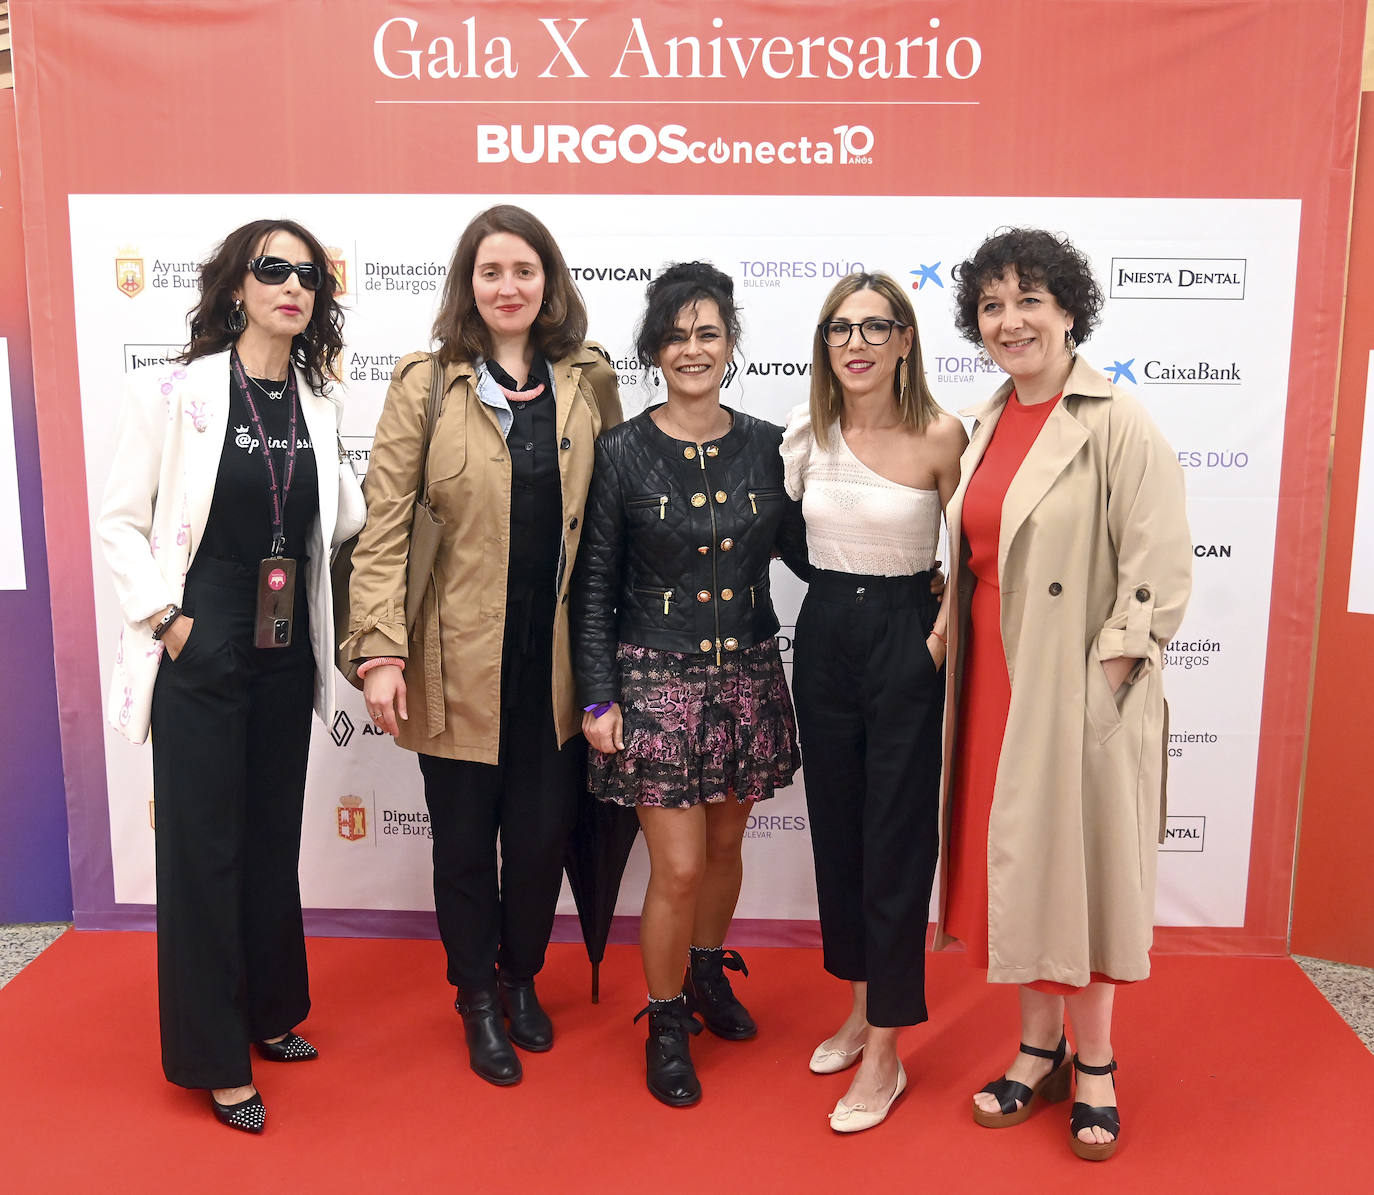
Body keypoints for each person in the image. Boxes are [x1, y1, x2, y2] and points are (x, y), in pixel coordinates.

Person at [343, 205, 623, 1087]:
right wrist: (378, 650)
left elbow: (609, 525)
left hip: (556, 665)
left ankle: (521, 974)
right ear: (470, 284)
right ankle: (474, 995)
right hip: (453, 661)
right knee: (464, 844)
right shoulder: (426, 383)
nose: (510, 287)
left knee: (542, 839)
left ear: (551, 283)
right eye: (492, 271)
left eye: (525, 271)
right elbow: (383, 529)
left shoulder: (588, 380)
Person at [98, 219, 364, 1133]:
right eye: (272, 269)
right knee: (203, 850)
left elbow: (344, 524)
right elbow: (120, 521)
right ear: (238, 286)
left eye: (308, 275)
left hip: (287, 646)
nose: (292, 285)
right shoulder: (176, 392)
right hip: (204, 646)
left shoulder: (319, 404)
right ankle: (215, 1056)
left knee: (266, 837)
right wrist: (168, 624)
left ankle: (267, 1010)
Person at [937, 228, 1192, 1161]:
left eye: (1029, 300)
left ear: (1069, 310)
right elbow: (973, 551)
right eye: (994, 305)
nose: (1011, 321)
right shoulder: (985, 421)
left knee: (1077, 873)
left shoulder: (1117, 420)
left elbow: (1158, 571)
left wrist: (1109, 680)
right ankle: (1036, 1048)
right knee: (1024, 872)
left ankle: (1096, 1065)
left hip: (1075, 684)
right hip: (997, 677)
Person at [573, 262, 809, 1107]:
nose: (693, 349)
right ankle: (666, 1016)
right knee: (674, 866)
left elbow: (806, 553)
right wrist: (599, 696)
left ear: (731, 344)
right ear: (655, 349)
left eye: (708, 333)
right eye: (676, 336)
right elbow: (594, 586)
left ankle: (707, 973)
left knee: (722, 849)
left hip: (745, 675)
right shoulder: (621, 452)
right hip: (654, 680)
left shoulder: (772, 443)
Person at [781, 272, 966, 1132]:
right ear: (825, 346)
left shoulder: (942, 435)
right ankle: (859, 1008)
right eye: (838, 329)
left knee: (894, 841)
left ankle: (889, 1049)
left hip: (904, 638)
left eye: (873, 326)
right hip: (824, 638)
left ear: (903, 340)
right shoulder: (806, 435)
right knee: (841, 834)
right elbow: (787, 538)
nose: (855, 342)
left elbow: (978, 544)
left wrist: (942, 625)